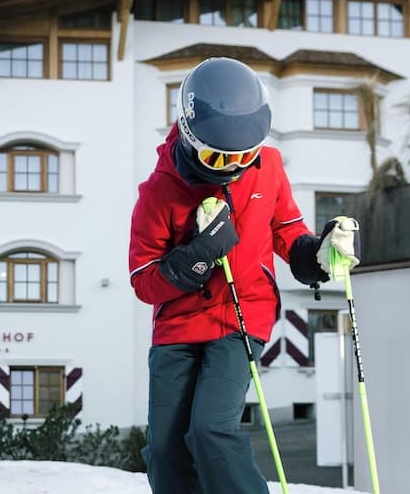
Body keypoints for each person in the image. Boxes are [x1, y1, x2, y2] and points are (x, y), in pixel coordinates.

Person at [128, 57, 359, 493]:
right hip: (177, 326)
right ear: (193, 139)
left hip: (242, 313)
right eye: (219, 156)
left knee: (210, 429)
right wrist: (200, 255)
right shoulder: (158, 192)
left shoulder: (267, 167)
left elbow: (287, 230)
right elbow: (143, 278)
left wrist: (319, 255)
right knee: (163, 448)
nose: (233, 167)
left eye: (245, 155)